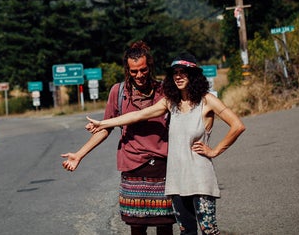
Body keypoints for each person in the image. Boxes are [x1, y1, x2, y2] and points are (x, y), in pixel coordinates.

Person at [86, 53, 246, 235]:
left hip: (200, 178)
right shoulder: (171, 103)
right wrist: (103, 123)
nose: (178, 76)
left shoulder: (207, 100)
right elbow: (137, 115)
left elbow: (237, 125)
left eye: (183, 72)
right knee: (187, 232)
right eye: (174, 73)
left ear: (193, 75)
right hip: (176, 180)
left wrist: (215, 151)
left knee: (209, 230)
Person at [61, 41, 174, 235]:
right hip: (132, 166)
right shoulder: (119, 92)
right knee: (137, 227)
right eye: (133, 71)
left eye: (143, 70)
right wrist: (79, 154)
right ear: (127, 70)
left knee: (165, 225)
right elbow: (105, 128)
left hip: (163, 166)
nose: (139, 75)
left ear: (151, 66)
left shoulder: (165, 90)